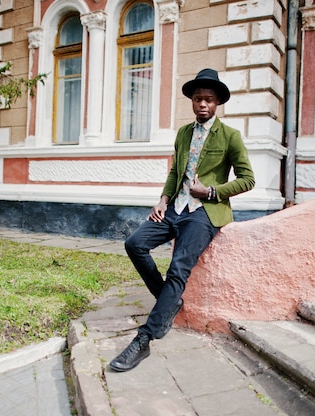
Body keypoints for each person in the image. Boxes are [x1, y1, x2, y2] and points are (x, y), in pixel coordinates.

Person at [109, 68, 255, 372]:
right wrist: (163, 199)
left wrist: (211, 191)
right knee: (135, 243)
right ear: (192, 101)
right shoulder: (183, 133)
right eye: (198, 99)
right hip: (175, 207)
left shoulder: (230, 136)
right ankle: (167, 299)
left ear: (217, 104)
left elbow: (248, 179)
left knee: (178, 267)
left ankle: (144, 339)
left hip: (205, 213)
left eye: (209, 100)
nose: (203, 104)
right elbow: (176, 173)